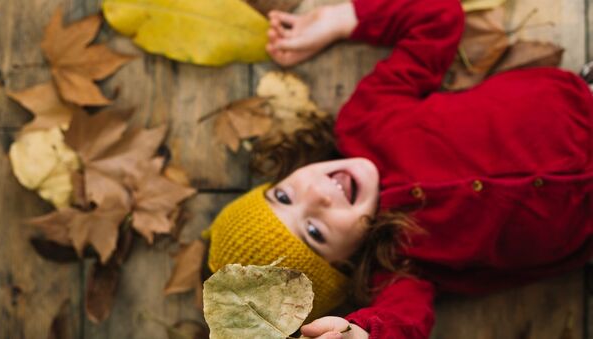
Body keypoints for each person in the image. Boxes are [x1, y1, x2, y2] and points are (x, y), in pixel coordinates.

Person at [205, 0, 593, 337]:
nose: (319, 194)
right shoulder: (400, 269)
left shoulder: (365, 119)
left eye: (284, 195)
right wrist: (359, 334)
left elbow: (438, 18)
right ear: (344, 264)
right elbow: (403, 322)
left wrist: (344, 19)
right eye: (314, 231)